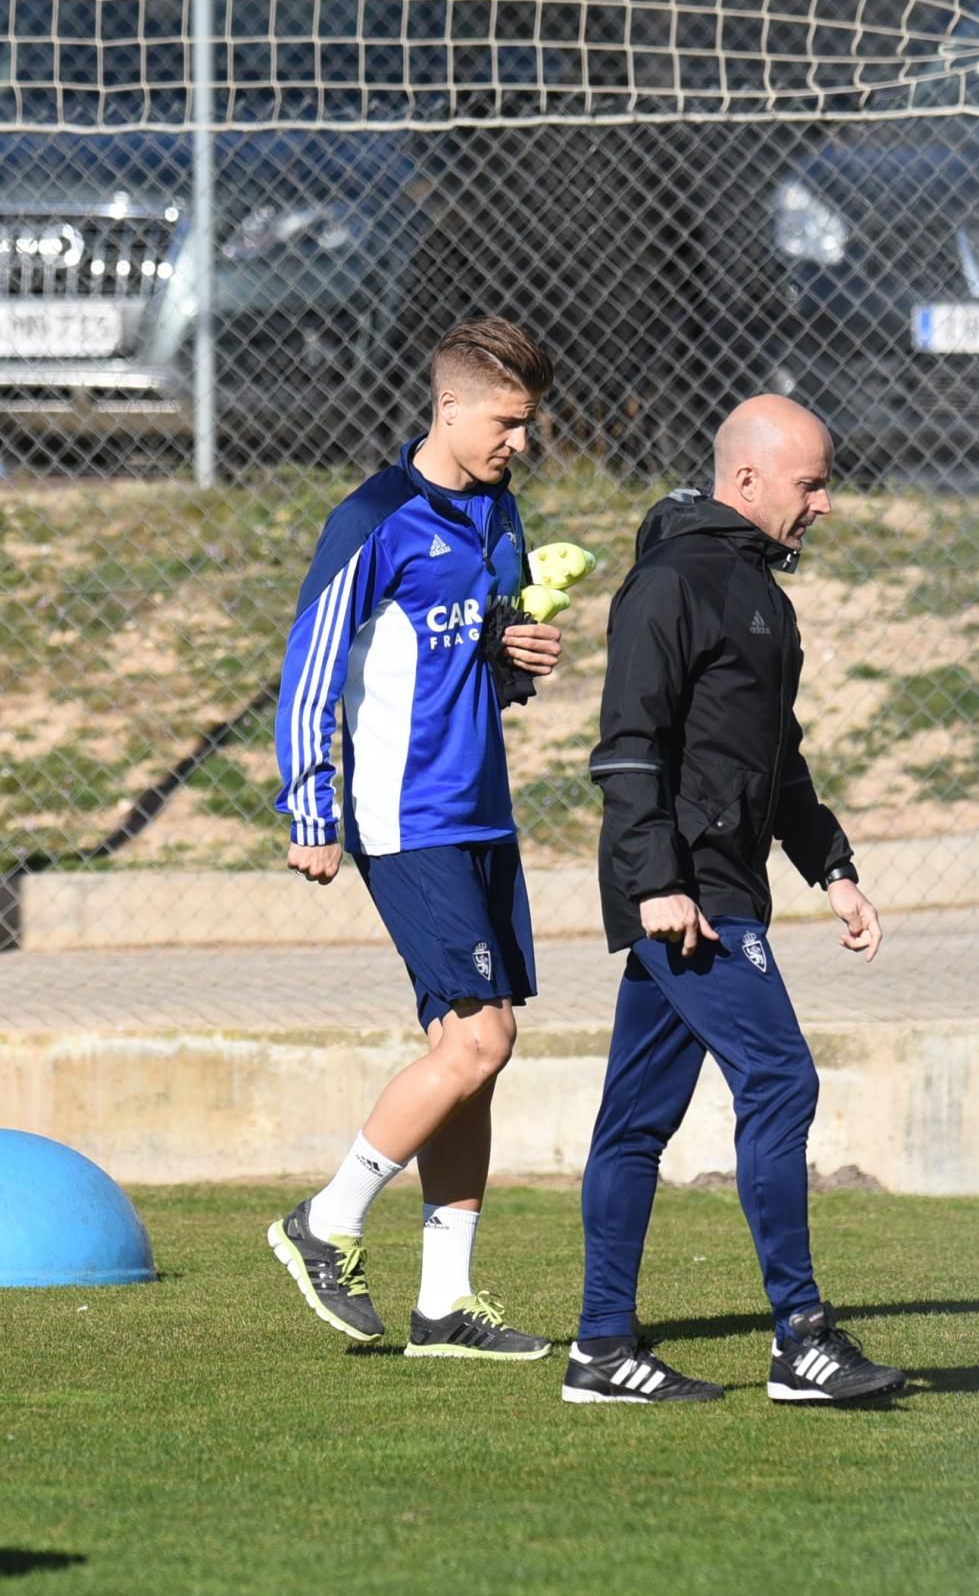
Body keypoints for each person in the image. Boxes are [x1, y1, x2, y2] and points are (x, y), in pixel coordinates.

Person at [563, 394, 906, 1406]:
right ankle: (801, 1338)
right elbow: (627, 747)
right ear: (747, 480)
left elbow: (776, 758)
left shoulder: (761, 595)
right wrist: (656, 882)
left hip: (722, 887)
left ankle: (599, 1352)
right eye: (810, 484)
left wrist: (831, 866)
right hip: (690, 895)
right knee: (782, 1079)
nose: (825, 505)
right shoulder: (667, 585)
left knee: (635, 1120)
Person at [268, 316, 563, 1360]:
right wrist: (311, 808)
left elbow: (486, 657)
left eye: (528, 425)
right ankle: (326, 1221)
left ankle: (445, 1304)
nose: (519, 443)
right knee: (482, 1039)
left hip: (482, 808)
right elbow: (311, 665)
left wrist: (516, 654)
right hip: (405, 816)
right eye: (506, 422)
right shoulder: (376, 517)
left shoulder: (500, 514)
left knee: (472, 1053)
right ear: (449, 408)